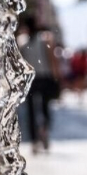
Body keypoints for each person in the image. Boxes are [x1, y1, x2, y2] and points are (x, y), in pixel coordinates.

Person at [18, 16, 61, 154]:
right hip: (45, 77)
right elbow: (52, 58)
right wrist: (56, 76)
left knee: (30, 110)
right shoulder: (46, 38)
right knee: (45, 107)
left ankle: (34, 141)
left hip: (30, 79)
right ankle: (44, 130)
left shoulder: (22, 40)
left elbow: (19, 62)